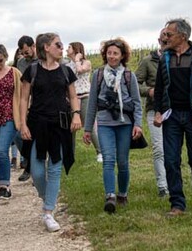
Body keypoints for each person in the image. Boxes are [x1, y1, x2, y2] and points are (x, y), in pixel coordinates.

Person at [153, 18, 192, 217]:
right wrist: (158, 111)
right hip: (171, 116)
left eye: (169, 34)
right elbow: (160, 88)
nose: (165, 38)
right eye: (165, 34)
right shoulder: (164, 58)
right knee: (171, 160)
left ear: (183, 36)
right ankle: (177, 204)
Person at [19, 33, 81, 232]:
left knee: (54, 168)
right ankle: (49, 198)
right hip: (37, 124)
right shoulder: (32, 70)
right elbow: (23, 99)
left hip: (60, 125)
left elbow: (73, 96)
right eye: (58, 44)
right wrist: (22, 124)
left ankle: (48, 212)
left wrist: (77, 115)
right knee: (37, 172)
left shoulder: (66, 71)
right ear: (46, 47)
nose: (62, 48)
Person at [83, 38, 143, 214]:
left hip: (124, 123)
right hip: (104, 124)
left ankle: (122, 193)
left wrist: (137, 125)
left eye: (115, 53)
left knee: (123, 161)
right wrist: (87, 129)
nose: (112, 56)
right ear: (105, 54)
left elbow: (137, 103)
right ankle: (110, 195)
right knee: (108, 159)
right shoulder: (98, 75)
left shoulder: (128, 76)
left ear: (122, 55)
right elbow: (92, 103)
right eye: (109, 53)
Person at [135, 29, 171, 198]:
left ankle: (173, 183)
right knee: (158, 148)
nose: (166, 41)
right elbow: (135, 84)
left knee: (172, 148)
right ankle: (163, 186)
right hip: (154, 109)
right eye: (163, 38)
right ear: (158, 40)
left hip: (174, 110)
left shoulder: (178, 59)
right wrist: (149, 90)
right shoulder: (148, 61)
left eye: (169, 38)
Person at [0, 44, 23, 201]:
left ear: (6, 58)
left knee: (2, 150)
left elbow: (22, 96)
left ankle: (5, 185)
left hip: (9, 115)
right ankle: (2, 185)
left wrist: (23, 117)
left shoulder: (15, 73)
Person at [65, 42, 101, 163]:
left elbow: (80, 71)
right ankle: (70, 155)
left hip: (86, 97)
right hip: (72, 98)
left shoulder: (86, 63)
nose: (66, 49)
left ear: (76, 49)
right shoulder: (67, 65)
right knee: (72, 128)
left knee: (89, 125)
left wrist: (76, 60)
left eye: (69, 47)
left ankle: (100, 152)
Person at [14, 35, 36, 182]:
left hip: (38, 102)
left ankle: (33, 169)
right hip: (24, 102)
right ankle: (28, 162)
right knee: (19, 135)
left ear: (33, 46)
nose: (25, 55)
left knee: (35, 137)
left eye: (27, 51)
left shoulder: (42, 61)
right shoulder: (21, 63)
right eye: (23, 52)